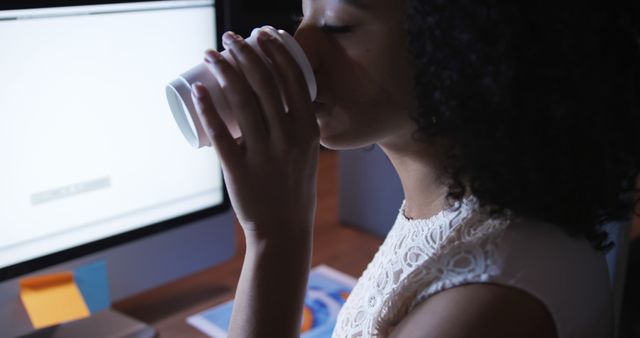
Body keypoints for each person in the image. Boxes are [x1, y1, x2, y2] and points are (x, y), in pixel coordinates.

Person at [189, 0, 640, 337]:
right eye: (303, 16)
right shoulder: (467, 209)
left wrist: (275, 237)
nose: (297, 51)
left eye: (337, 25)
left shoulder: (483, 310)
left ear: (466, 41)